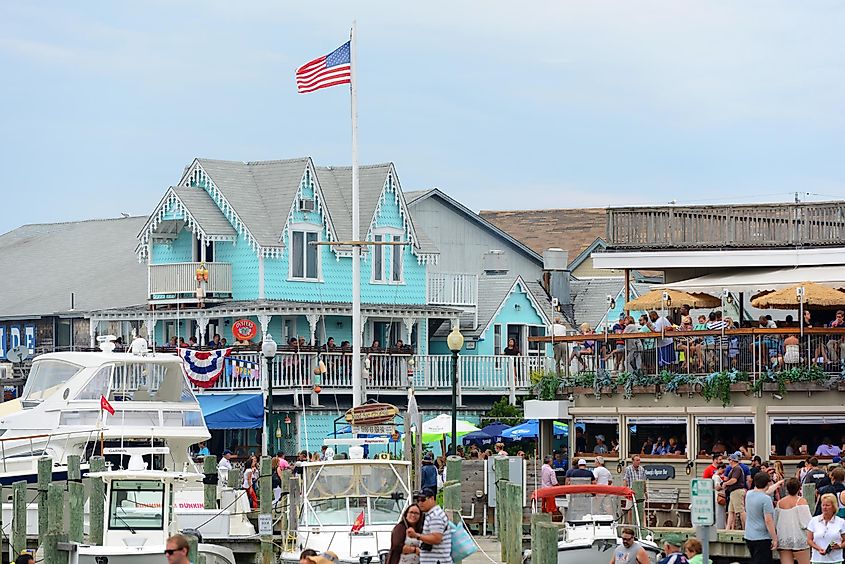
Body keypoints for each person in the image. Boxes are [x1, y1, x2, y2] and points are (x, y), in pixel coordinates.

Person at [408, 488, 452, 564]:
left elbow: (436, 538)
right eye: (418, 500)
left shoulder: (436, 516)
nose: (420, 503)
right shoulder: (432, 515)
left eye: (423, 500)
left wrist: (416, 536)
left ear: (432, 498)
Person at [744, 471, 778, 564]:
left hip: (749, 535)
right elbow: (768, 520)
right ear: (768, 483)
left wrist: (777, 484)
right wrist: (774, 538)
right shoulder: (766, 499)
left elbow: (765, 491)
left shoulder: (749, 494)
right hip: (762, 537)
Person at [776, 477, 812, 564]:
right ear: (799, 488)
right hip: (799, 538)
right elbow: (807, 522)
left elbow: (775, 521)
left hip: (784, 538)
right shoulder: (802, 501)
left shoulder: (780, 502)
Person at [806, 493, 845, 564]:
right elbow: (809, 540)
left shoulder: (841, 522)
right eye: (823, 505)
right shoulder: (814, 521)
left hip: (835, 560)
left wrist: (839, 546)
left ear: (833, 507)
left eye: (827, 505)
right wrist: (818, 548)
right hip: (817, 560)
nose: (824, 507)